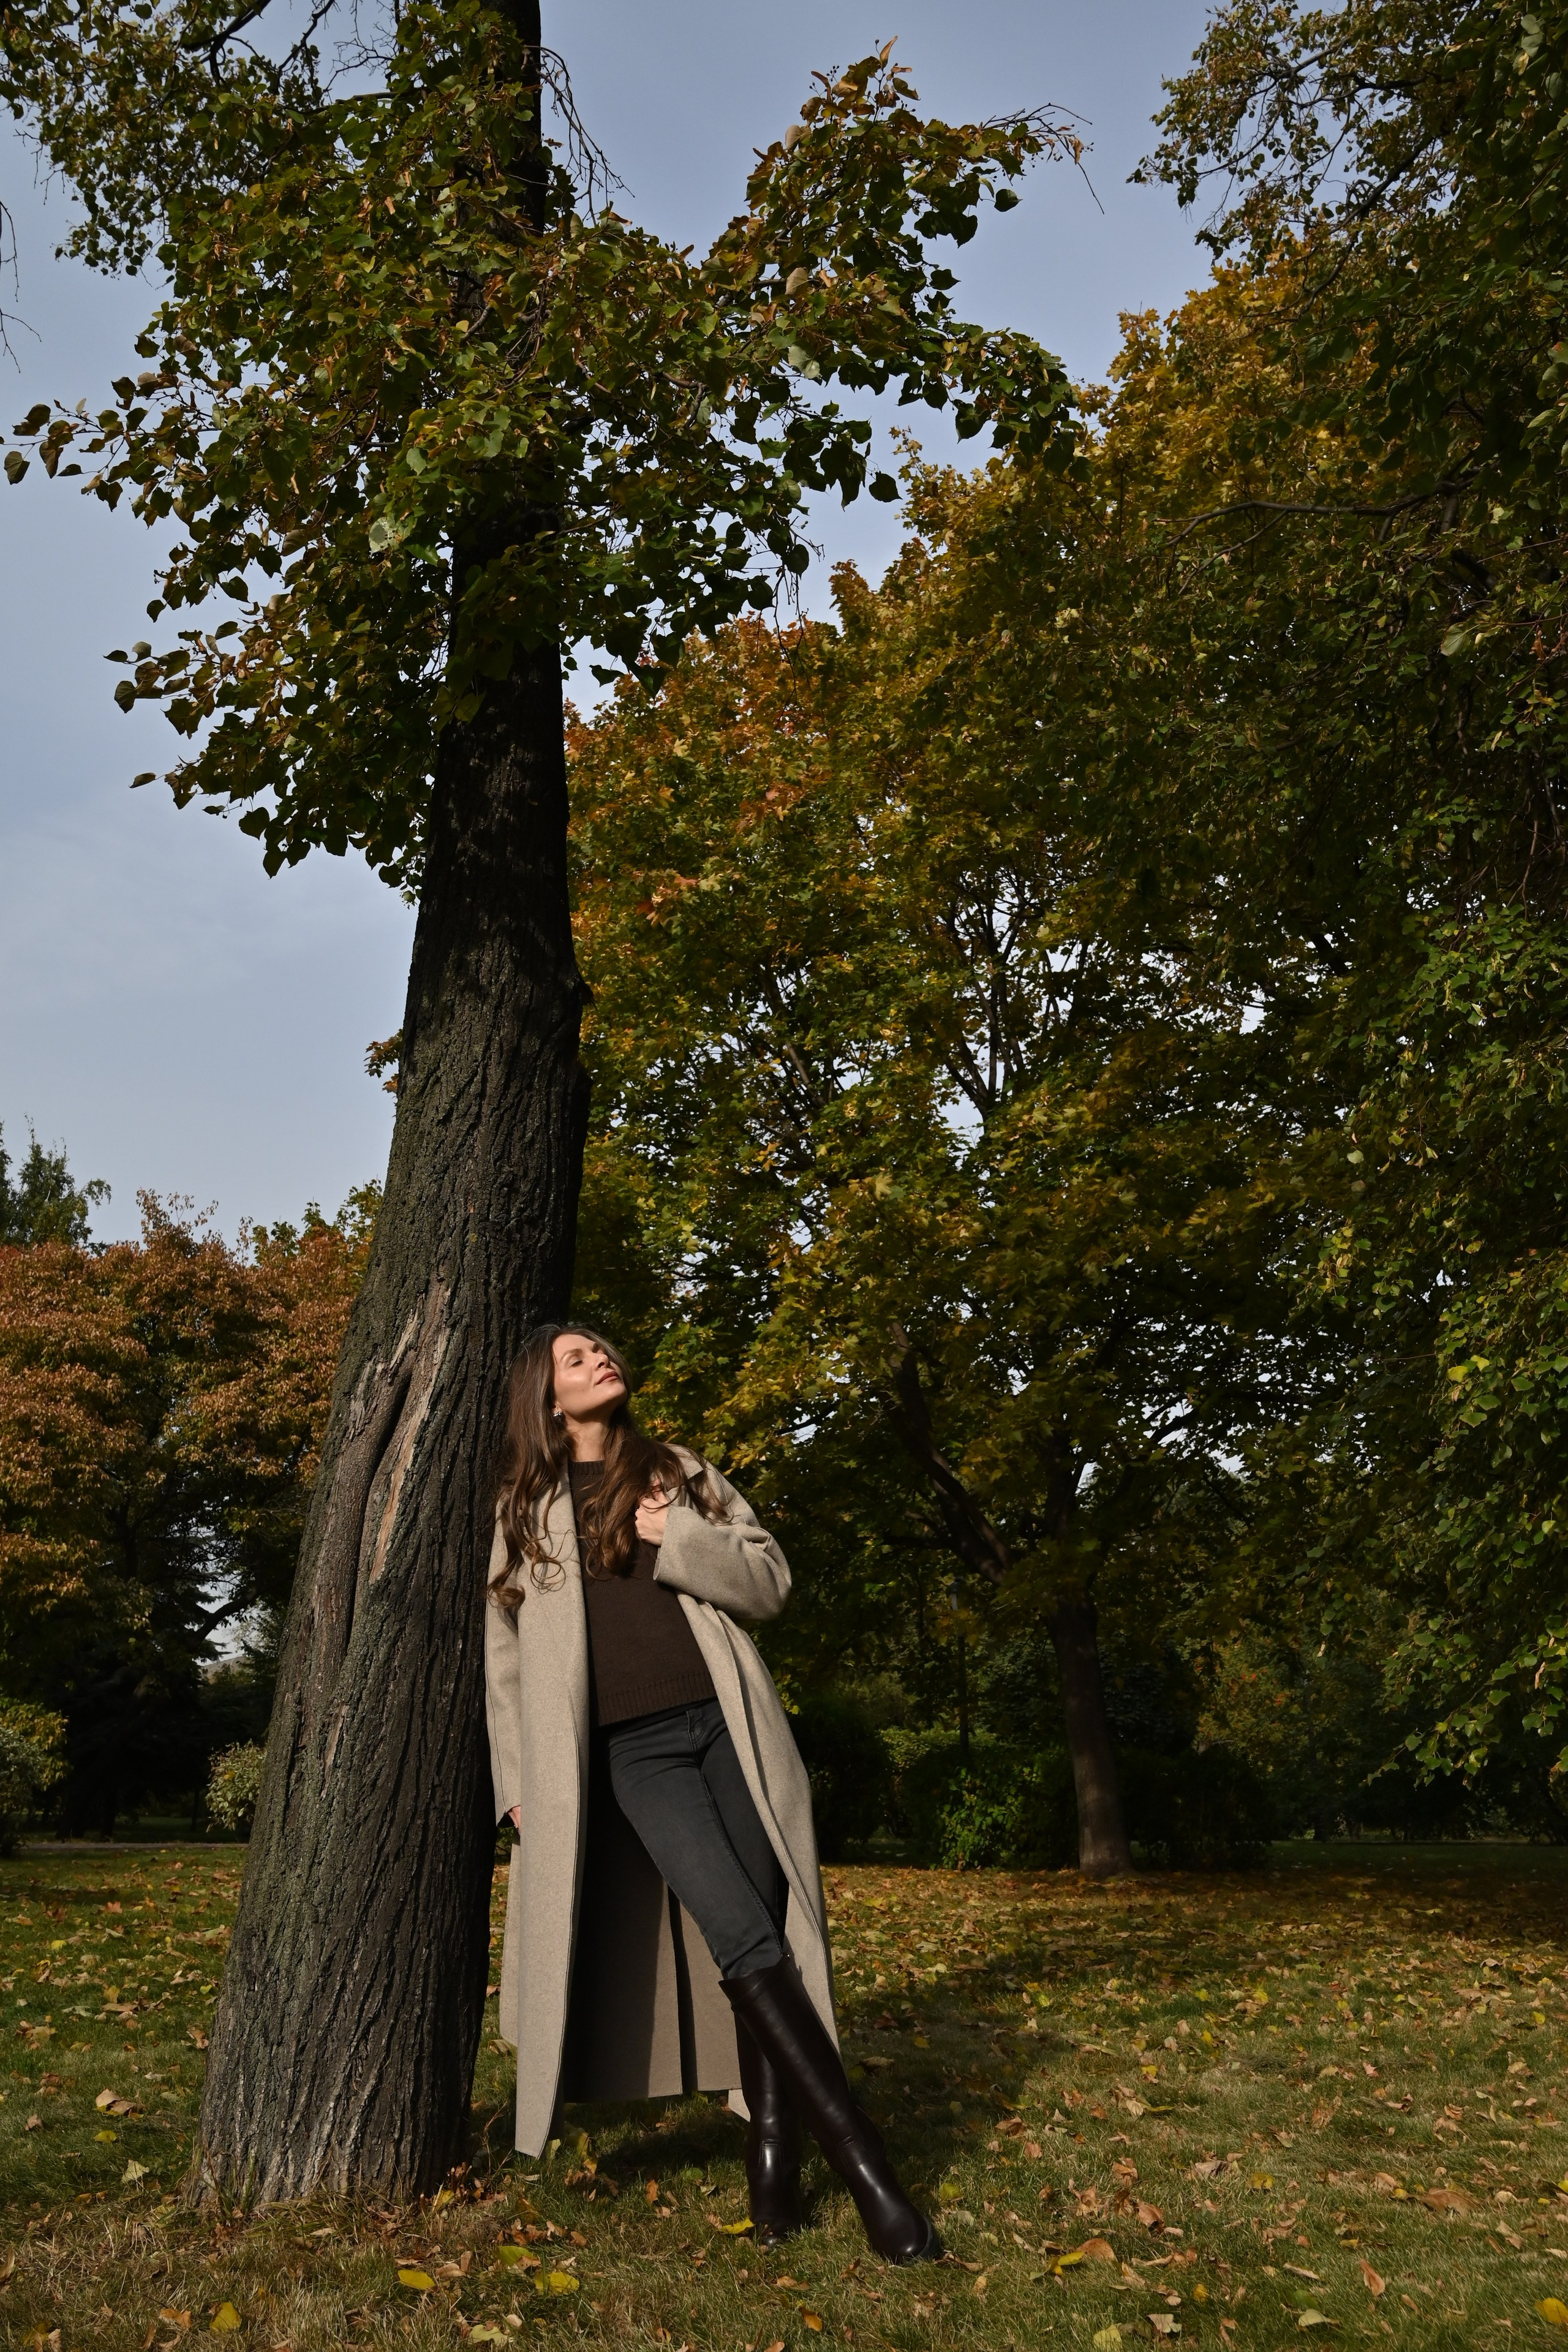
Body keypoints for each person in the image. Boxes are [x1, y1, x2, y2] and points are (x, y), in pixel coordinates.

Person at [483, 1322, 937, 2266]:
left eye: (602, 1349)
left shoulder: (677, 1471)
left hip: (731, 1726)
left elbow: (770, 1583)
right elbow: (504, 1660)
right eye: (577, 1359)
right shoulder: (520, 1508)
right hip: (630, 1755)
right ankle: (863, 2161)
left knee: (766, 1929)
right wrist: (517, 1782)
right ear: (546, 1397)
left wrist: (675, 1533)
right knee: (738, 1934)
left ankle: (772, 2155)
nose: (600, 1358)